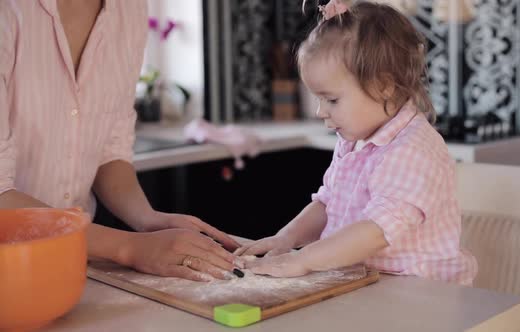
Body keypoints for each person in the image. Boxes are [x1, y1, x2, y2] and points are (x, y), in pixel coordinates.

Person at [237, 0, 477, 285]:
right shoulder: (354, 140)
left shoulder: (414, 151)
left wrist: (303, 260)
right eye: (319, 98)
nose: (320, 111)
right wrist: (286, 239)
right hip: (370, 284)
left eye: (332, 99)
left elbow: (376, 231)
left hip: (423, 294)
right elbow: (328, 204)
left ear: (383, 86)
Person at [0, 0, 241, 281]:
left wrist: (147, 220)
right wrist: (129, 247)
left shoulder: (130, 8)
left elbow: (109, 149)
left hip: (67, 269)